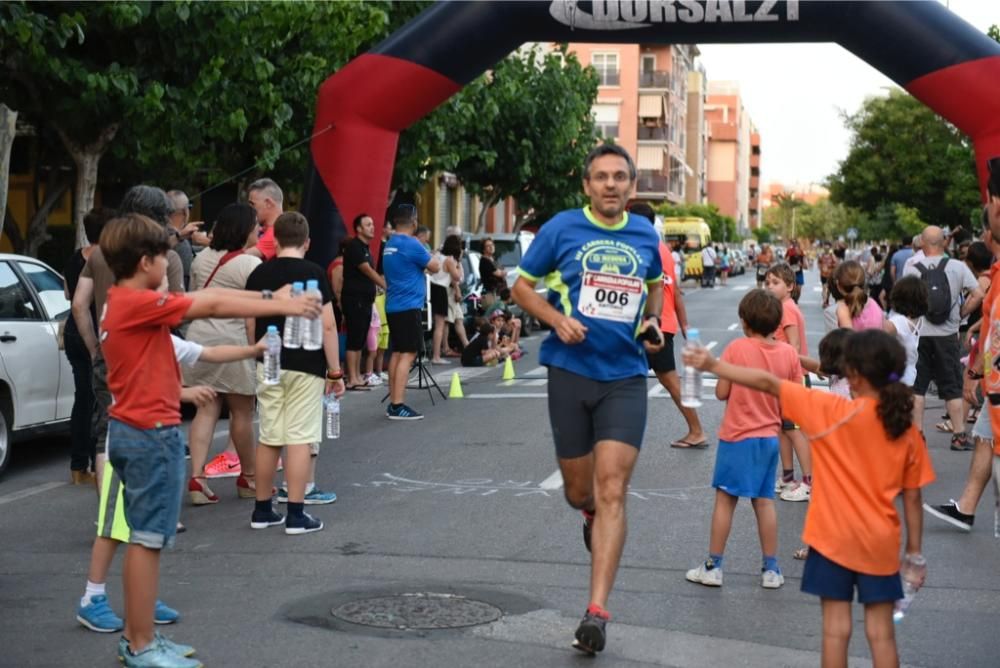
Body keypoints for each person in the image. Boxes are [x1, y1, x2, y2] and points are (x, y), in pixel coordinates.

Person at [96, 212, 322, 665]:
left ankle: (140, 638)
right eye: (163, 256)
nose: (169, 265)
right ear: (145, 262)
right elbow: (213, 304)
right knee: (146, 542)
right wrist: (280, 304)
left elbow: (207, 304)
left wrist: (264, 303)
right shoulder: (136, 304)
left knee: (146, 540)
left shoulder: (121, 302)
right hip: (149, 435)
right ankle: (140, 644)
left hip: (132, 431)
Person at [683, 329, 934, 668]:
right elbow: (914, 499)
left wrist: (714, 364)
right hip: (880, 543)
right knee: (881, 632)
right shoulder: (904, 430)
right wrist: (914, 553)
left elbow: (768, 382)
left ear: (854, 375)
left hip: (830, 540)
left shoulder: (830, 410)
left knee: (835, 630)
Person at [511, 143, 664, 655]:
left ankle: (596, 611)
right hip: (571, 373)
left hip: (625, 375)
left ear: (632, 185)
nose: (611, 185)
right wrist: (556, 320)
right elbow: (521, 287)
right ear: (587, 185)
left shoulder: (645, 232)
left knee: (613, 488)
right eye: (601, 177)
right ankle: (587, 514)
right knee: (582, 493)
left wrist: (651, 321)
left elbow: (656, 284)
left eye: (620, 177)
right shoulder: (560, 229)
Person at [76, 333, 264, 638]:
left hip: (155, 447)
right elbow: (136, 383)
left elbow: (208, 351)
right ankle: (92, 597)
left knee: (147, 531)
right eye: (159, 286)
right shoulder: (125, 326)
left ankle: (142, 600)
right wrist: (184, 394)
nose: (166, 294)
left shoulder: (161, 334)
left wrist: (253, 349)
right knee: (112, 530)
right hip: (125, 450)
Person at [684, 289, 802, 590]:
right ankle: (771, 569)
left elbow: (722, 392)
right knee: (764, 502)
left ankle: (713, 565)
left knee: (725, 500)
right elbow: (793, 397)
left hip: (737, 436)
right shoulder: (789, 353)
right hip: (769, 438)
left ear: (745, 322)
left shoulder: (737, 348)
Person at [72, 185, 186, 492]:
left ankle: (109, 514)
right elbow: (176, 310)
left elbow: (79, 304)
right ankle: (158, 508)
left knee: (106, 433)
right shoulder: (166, 258)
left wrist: (94, 345)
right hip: (150, 359)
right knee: (156, 428)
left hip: (108, 354)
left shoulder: (99, 254)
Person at [245, 212, 345, 534]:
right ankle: (297, 515)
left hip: (268, 360)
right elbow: (328, 325)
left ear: (274, 240)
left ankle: (262, 510)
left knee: (269, 435)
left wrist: (254, 352)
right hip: (307, 363)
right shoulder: (314, 273)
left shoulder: (259, 272)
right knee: (300, 437)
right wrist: (335, 371)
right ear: (307, 242)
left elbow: (249, 320)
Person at [925, 168, 1000, 531]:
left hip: (988, 381)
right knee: (984, 434)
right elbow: (987, 325)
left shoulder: (993, 276)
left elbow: (992, 330)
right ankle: (967, 506)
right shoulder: (989, 274)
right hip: (988, 383)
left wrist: (975, 372)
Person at [182, 203, 265, 506]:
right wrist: (257, 350)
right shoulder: (250, 265)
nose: (259, 229)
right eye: (255, 225)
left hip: (199, 342)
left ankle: (197, 478)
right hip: (233, 343)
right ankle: (250, 477)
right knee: (242, 412)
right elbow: (251, 315)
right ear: (243, 229)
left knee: (206, 409)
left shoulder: (200, 259)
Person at [629, 202, 707, 449]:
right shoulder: (662, 249)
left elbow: (660, 290)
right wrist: (683, 325)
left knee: (669, 381)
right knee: (637, 379)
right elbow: (675, 292)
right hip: (663, 323)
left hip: (651, 324)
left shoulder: (643, 247)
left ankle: (697, 431)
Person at [903, 225, 984, 450]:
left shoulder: (911, 267)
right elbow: (978, 294)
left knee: (918, 387)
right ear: (943, 243)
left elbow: (902, 302)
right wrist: (962, 313)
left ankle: (917, 434)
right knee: (951, 386)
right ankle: (959, 435)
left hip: (919, 334)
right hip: (947, 335)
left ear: (923, 243)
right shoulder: (958, 266)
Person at [63, 207, 114, 485]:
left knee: (82, 397)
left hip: (73, 331)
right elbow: (82, 302)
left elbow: (69, 295)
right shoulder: (107, 259)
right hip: (97, 332)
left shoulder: (75, 258)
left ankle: (77, 465)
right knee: (101, 400)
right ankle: (98, 465)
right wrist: (95, 345)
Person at [382, 203, 440, 420]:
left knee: (397, 353)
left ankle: (393, 402)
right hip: (408, 306)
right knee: (408, 354)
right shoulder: (411, 244)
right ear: (414, 222)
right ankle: (398, 404)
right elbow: (435, 266)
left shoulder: (391, 243)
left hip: (394, 305)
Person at [765, 263, 813, 503]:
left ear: (790, 286)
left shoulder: (787, 310)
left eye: (776, 282)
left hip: (793, 379)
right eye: (767, 283)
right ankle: (787, 477)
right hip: (782, 380)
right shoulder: (781, 308)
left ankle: (808, 482)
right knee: (783, 430)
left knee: (796, 433)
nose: (770, 287)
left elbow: (793, 346)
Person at [342, 213, 386, 390]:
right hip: (355, 300)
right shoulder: (355, 246)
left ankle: (357, 376)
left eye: (373, 224)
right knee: (354, 339)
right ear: (359, 228)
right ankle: (352, 378)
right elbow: (366, 270)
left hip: (365, 300)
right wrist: (384, 284)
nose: (372, 227)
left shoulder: (365, 248)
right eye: (368, 224)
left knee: (360, 340)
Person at [883, 276, 928, 387]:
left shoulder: (899, 321)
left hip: (896, 374)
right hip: (910, 372)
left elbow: (879, 331)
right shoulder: (919, 320)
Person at [165, 190, 202, 289]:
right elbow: (185, 279)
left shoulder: (157, 233)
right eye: (190, 207)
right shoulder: (181, 245)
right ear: (185, 211)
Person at [833, 260, 884, 331]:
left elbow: (848, 339)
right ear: (863, 283)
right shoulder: (874, 304)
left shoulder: (842, 309)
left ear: (838, 285)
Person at [245, 178, 283, 261]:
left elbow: (238, 257)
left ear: (268, 203)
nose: (249, 209)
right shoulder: (263, 229)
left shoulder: (278, 231)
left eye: (252, 204)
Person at [479, 237, 507, 306]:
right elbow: (499, 273)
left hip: (498, 293)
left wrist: (502, 272)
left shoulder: (493, 259)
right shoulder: (484, 261)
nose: (491, 247)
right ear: (484, 249)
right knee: (494, 315)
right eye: (488, 246)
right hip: (491, 294)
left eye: (492, 245)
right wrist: (502, 272)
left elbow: (502, 270)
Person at [818, 243, 837, 308]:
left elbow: (835, 264)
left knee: (828, 289)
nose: (826, 249)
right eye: (825, 248)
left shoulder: (832, 256)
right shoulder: (821, 256)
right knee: (824, 287)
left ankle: (827, 300)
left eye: (827, 248)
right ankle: (824, 301)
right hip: (823, 274)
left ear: (829, 249)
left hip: (830, 275)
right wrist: (821, 267)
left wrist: (829, 266)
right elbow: (819, 263)